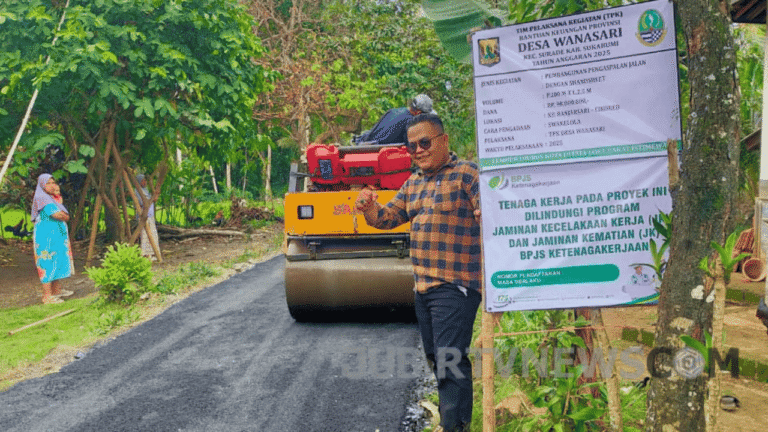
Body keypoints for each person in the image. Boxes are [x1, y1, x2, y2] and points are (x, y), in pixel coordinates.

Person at [355, 113, 481, 432]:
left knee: (449, 360)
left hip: (457, 286)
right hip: (423, 289)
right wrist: (368, 207)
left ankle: (455, 426)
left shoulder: (467, 175)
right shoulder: (413, 183)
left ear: (443, 140)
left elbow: (492, 216)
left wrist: (486, 216)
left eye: (425, 142)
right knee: (437, 359)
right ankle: (457, 420)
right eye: (412, 146)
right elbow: (385, 218)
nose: (419, 151)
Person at [31, 174, 74, 304]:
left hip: (55, 237)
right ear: (42, 185)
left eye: (53, 182)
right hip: (46, 238)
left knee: (56, 261)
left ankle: (56, 291)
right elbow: (59, 215)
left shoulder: (51, 198)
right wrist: (65, 216)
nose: (52, 185)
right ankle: (47, 296)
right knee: (47, 263)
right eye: (48, 183)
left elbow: (63, 213)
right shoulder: (42, 198)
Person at [355, 94, 434, 145]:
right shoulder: (410, 122)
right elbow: (411, 145)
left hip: (366, 142)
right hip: (380, 151)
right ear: (419, 113)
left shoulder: (394, 111)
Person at [135, 174, 159, 261]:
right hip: (143, 216)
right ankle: (145, 254)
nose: (144, 182)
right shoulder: (137, 191)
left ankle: (152, 252)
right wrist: (152, 199)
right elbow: (142, 202)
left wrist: (153, 198)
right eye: (143, 181)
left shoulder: (146, 190)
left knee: (153, 234)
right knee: (145, 235)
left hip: (150, 215)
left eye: (145, 180)